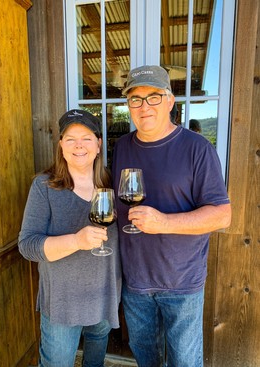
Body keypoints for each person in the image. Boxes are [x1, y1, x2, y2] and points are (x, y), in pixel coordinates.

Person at [112, 65, 231, 367]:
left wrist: (164, 222)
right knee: (145, 359)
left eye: (153, 97)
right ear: (128, 105)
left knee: (185, 361)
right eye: (135, 99)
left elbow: (222, 215)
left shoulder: (197, 148)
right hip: (135, 280)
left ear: (170, 100)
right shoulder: (122, 147)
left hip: (182, 283)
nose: (144, 106)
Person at [18, 109, 121, 367]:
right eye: (70, 138)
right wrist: (76, 241)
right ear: (61, 145)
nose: (79, 145)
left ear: (98, 144)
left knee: (95, 361)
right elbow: (28, 245)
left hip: (106, 294)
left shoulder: (112, 182)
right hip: (63, 300)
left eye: (86, 137)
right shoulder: (44, 186)